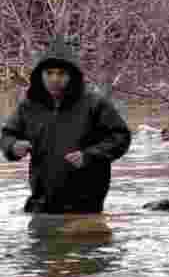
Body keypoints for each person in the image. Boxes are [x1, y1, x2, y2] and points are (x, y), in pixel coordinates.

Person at [0, 35, 132, 214]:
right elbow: (7, 135)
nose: (54, 79)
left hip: (86, 205)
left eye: (61, 74)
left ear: (72, 76)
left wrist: (90, 156)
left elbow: (121, 137)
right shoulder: (29, 106)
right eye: (49, 73)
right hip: (41, 203)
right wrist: (13, 146)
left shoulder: (95, 104)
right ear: (40, 75)